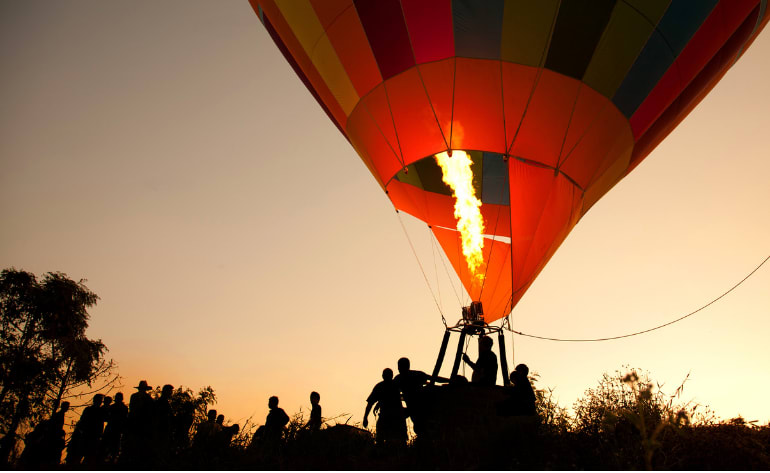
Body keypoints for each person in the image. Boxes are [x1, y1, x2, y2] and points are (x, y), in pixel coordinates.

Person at [364, 368, 406, 446]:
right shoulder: (396, 385)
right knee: (398, 442)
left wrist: (365, 417)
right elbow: (370, 403)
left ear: (383, 376)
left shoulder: (381, 386)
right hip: (394, 417)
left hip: (390, 418)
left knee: (383, 441)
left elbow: (370, 403)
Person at [393, 357, 429, 436]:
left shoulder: (400, 378)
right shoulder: (416, 374)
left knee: (420, 426)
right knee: (419, 426)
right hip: (417, 407)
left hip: (419, 406)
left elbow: (392, 393)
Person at [67, 394, 104, 465]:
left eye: (100, 401)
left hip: (93, 437)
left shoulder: (100, 411)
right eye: (99, 400)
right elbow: (82, 422)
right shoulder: (89, 410)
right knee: (80, 456)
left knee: (89, 458)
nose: (100, 402)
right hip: (86, 436)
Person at [102, 392, 127, 463]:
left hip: (113, 429)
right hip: (115, 430)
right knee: (112, 448)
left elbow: (105, 418)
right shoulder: (123, 408)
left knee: (110, 448)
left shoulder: (113, 407)